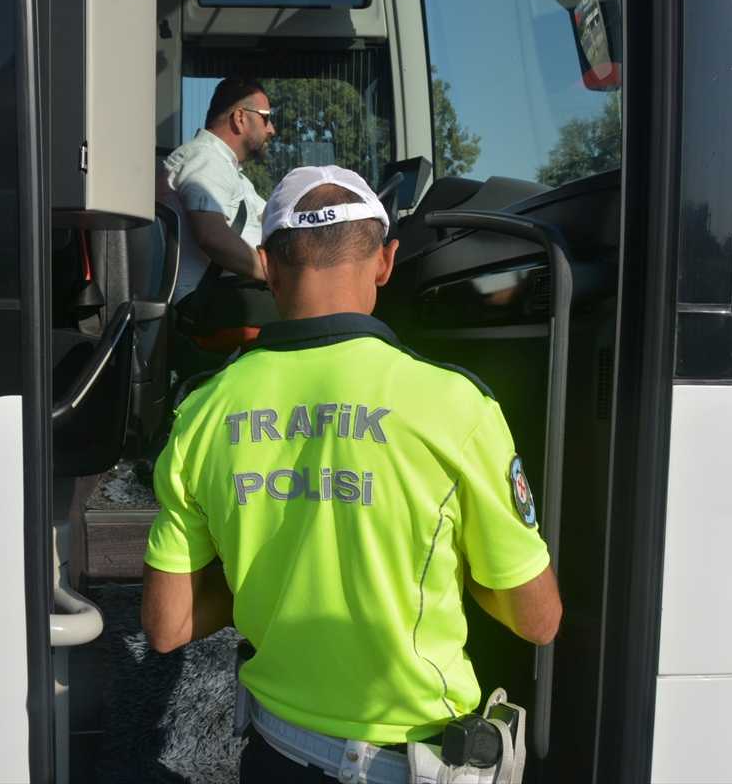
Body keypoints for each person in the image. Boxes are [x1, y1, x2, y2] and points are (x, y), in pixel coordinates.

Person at [141, 165, 562, 783]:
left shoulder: (203, 411)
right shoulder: (456, 406)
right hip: (408, 764)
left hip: (272, 757)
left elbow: (166, 626)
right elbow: (538, 619)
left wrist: (275, 581)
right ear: (386, 263)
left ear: (269, 265)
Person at [157, 76, 274, 302]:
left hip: (233, 292)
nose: (271, 129)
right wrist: (276, 273)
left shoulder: (234, 174)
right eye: (265, 118)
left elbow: (274, 219)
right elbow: (211, 235)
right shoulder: (204, 158)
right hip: (209, 301)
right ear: (240, 117)